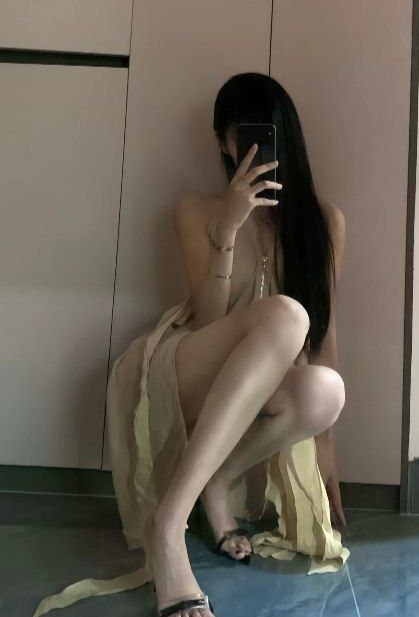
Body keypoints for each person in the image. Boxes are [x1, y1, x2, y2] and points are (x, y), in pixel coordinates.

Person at [31, 72, 349, 617]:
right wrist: (227, 228)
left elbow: (326, 332)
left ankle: (216, 484)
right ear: (222, 142)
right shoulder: (196, 211)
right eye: (241, 133)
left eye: (265, 131)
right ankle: (167, 525)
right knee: (285, 314)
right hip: (185, 365)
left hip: (256, 382)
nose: (251, 145)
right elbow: (209, 322)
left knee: (326, 390)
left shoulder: (323, 224)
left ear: (287, 137)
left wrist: (327, 452)